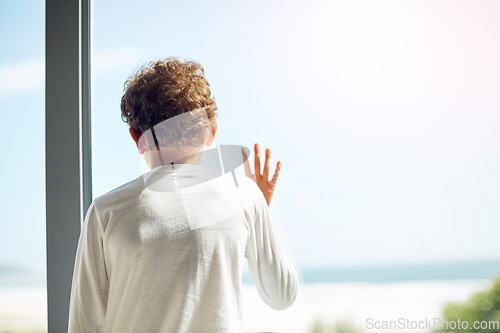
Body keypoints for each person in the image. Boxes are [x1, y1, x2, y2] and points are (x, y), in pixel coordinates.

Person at [68, 58, 298, 332]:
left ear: (136, 137)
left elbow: (84, 324)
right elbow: (282, 295)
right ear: (211, 132)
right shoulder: (245, 197)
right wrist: (261, 206)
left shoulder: (106, 211)